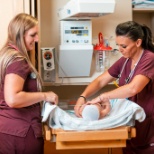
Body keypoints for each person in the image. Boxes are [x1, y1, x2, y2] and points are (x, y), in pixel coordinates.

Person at [74, 21, 154, 154]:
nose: (120, 49)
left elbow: (133, 88)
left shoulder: (149, 59)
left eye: (124, 46)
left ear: (138, 43)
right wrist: (83, 97)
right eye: (118, 45)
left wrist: (102, 97)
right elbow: (100, 81)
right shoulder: (125, 60)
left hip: (149, 127)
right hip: (131, 125)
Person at [0, 13, 58, 154]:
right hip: (21, 133)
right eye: (33, 35)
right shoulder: (18, 61)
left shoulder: (6, 55)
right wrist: (45, 95)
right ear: (19, 35)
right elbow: (13, 99)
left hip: (6, 130)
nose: (37, 39)